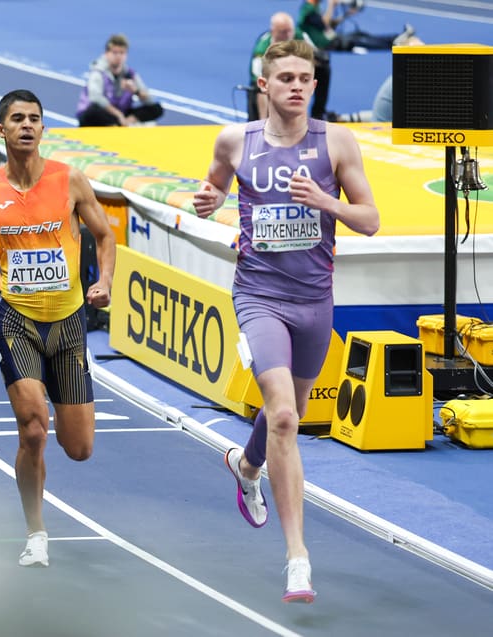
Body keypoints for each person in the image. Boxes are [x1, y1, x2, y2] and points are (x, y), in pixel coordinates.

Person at [192, 40, 380, 602]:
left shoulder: (336, 141)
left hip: (314, 300)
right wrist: (207, 201)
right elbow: (214, 189)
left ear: (314, 86)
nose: (298, 86)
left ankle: (246, 466)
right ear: (265, 87)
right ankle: (298, 557)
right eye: (287, 78)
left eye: (306, 77)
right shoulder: (235, 140)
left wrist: (328, 202)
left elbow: (369, 220)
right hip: (258, 294)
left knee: (291, 414)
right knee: (282, 418)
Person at [0, 89, 116, 566]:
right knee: (32, 431)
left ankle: (41, 513)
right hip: (17, 322)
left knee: (79, 448)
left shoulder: (71, 181)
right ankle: (36, 532)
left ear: (43, 129)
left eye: (35, 119)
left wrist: (103, 281)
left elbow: (104, 237)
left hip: (68, 325)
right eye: (17, 119)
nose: (27, 125)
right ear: (1, 131)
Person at [297, 0, 414, 120]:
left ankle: (396, 39)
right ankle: (395, 40)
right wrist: (331, 6)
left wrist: (347, 14)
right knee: (362, 40)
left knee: (361, 35)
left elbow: (329, 26)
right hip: (327, 44)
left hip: (331, 39)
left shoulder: (314, 8)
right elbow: (325, 26)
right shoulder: (308, 10)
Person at [247, 12, 331, 122]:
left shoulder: (299, 35)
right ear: (273, 32)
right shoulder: (262, 48)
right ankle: (261, 122)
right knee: (257, 88)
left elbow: (314, 54)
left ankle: (317, 114)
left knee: (323, 69)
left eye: (290, 30)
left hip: (294, 73)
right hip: (273, 78)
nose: (287, 35)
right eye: (283, 32)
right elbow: (258, 78)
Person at [76, 34, 163, 127]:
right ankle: (119, 123)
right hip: (102, 113)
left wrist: (136, 91)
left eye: (122, 53)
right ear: (106, 54)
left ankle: (125, 123)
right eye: (115, 52)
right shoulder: (98, 72)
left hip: (122, 112)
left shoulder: (130, 74)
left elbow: (149, 101)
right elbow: (96, 98)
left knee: (156, 109)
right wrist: (118, 115)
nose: (118, 56)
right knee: (93, 111)